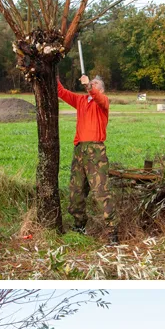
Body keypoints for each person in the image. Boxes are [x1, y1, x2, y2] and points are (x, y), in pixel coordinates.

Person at [57, 73, 118, 242]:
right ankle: (79, 226)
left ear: (102, 89)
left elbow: (96, 96)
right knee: (76, 191)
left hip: (95, 151)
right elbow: (61, 92)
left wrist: (88, 87)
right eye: (91, 82)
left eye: (96, 83)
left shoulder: (103, 101)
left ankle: (112, 232)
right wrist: (55, 75)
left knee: (101, 192)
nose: (92, 83)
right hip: (79, 151)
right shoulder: (81, 101)